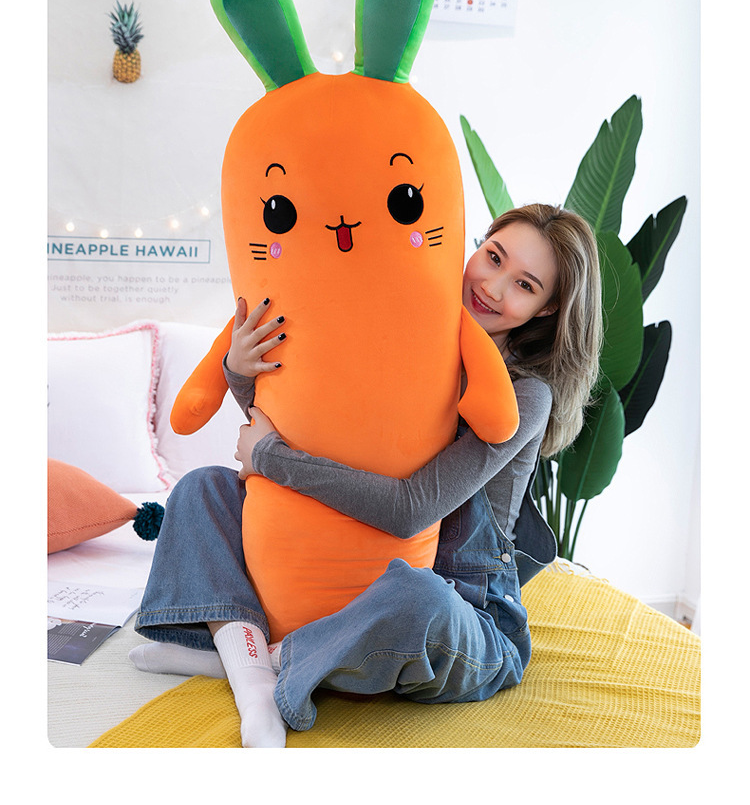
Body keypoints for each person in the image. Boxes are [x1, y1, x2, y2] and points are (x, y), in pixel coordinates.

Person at [131, 203, 602, 748]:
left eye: (524, 285)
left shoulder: (525, 397)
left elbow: (411, 511)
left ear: (547, 309)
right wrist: (239, 370)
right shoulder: (403, 337)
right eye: (493, 257)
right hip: (344, 560)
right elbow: (300, 429)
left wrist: (273, 460)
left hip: (458, 607)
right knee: (203, 488)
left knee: (417, 596)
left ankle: (248, 660)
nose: (492, 287)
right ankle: (260, 661)